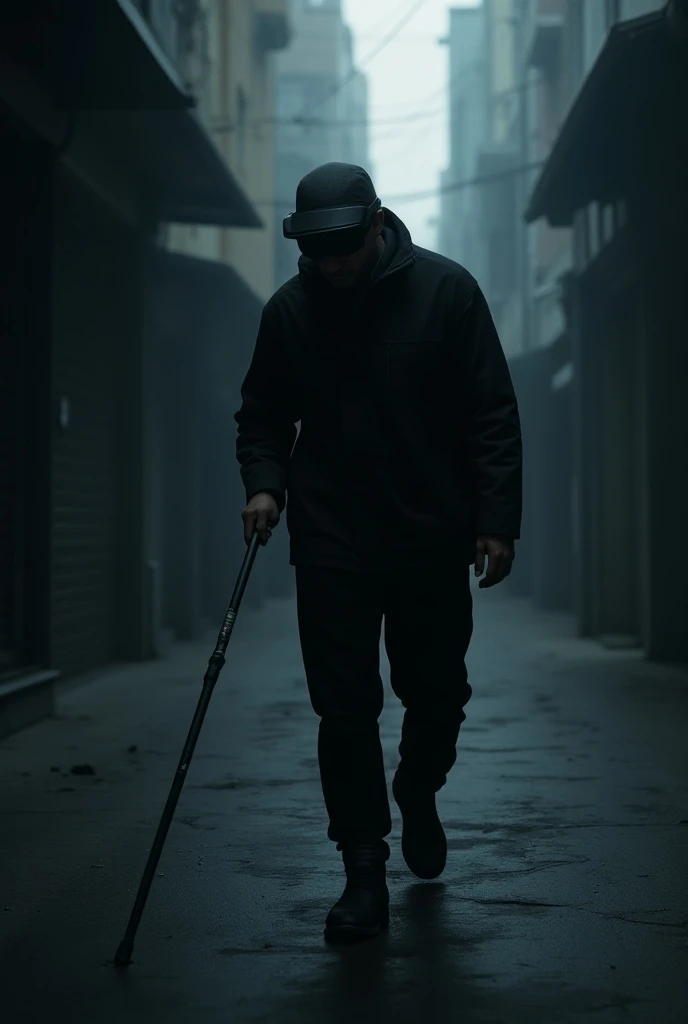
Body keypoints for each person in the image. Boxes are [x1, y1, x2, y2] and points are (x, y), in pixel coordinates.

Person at [234, 162, 522, 943]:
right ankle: (363, 871)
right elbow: (261, 414)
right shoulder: (291, 312)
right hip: (332, 537)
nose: (333, 266)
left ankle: (418, 785)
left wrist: (496, 518)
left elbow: (491, 412)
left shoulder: (448, 292)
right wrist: (266, 484)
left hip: (431, 534)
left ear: (379, 224)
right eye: (318, 253)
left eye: (345, 249)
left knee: (437, 694)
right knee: (345, 708)